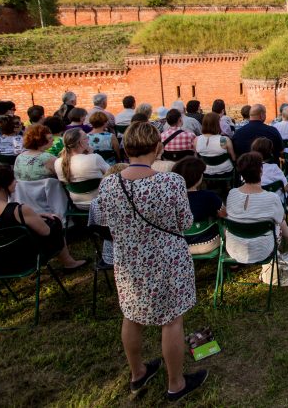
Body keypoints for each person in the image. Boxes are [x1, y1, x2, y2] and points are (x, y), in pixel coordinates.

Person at [96, 121, 207, 401]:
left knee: (132, 316)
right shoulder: (171, 181)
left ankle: (137, 373)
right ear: (157, 147)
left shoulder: (109, 183)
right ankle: (176, 383)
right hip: (167, 259)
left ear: (127, 147)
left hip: (129, 260)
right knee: (171, 320)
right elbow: (186, 221)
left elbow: (107, 223)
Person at [0, 164, 85, 273]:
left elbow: (2, 226)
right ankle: (69, 262)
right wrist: (53, 219)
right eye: (12, 180)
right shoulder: (18, 210)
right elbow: (46, 232)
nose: (16, 182)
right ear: (2, 186)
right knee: (54, 222)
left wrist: (33, 218)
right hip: (26, 260)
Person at [224, 152, 288, 264]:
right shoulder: (272, 197)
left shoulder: (231, 194)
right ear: (261, 171)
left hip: (234, 249)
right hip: (263, 251)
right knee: (277, 220)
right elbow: (280, 218)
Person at [171, 157, 224, 255]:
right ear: (198, 177)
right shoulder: (209, 196)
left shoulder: (170, 198)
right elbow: (223, 214)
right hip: (208, 243)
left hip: (179, 245)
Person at [54, 128, 109, 209]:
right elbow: (112, 174)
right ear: (81, 143)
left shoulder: (58, 162)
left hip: (77, 205)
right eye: (86, 137)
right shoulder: (94, 158)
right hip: (100, 203)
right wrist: (91, 154)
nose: (88, 139)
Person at [195, 112, 236, 177]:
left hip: (205, 171)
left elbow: (196, 158)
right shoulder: (223, 139)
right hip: (225, 171)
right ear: (217, 124)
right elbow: (233, 158)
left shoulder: (197, 139)